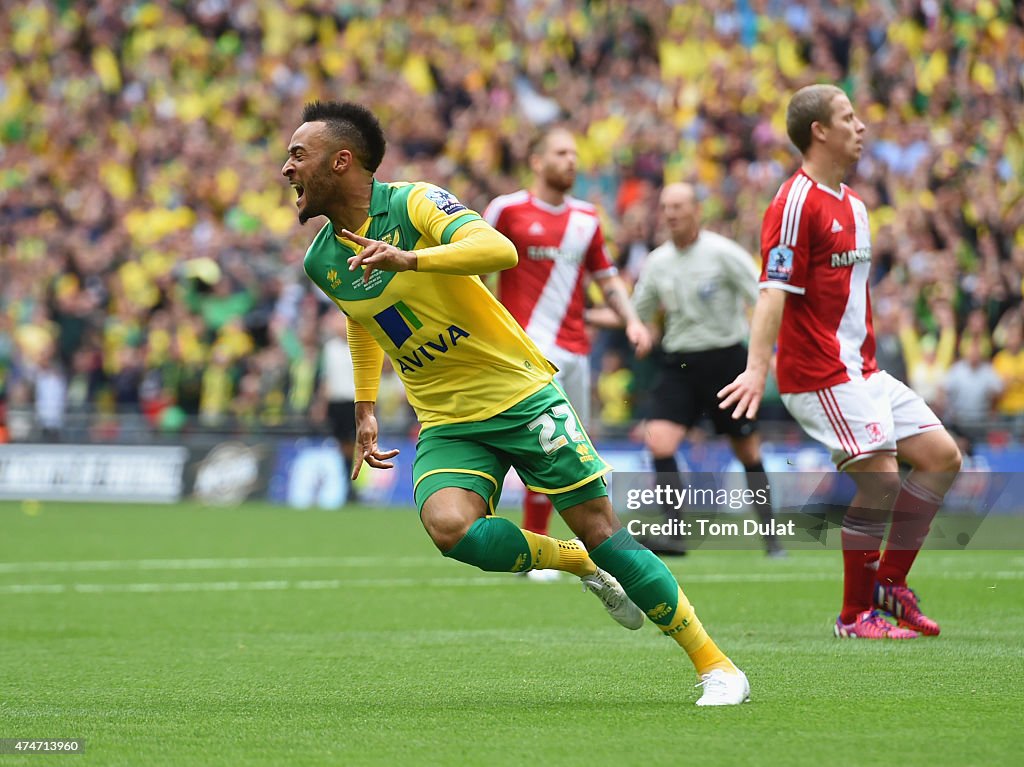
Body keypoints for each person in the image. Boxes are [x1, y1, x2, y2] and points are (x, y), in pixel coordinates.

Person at [283, 100, 749, 705]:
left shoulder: (414, 205)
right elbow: (363, 320)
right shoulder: (322, 260)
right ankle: (575, 561)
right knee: (449, 528)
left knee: (604, 528)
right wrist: (365, 407)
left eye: (298, 155)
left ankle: (717, 667)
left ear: (341, 161)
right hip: (448, 417)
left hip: (518, 394)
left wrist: (411, 257)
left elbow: (498, 250)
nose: (286, 169)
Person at [719, 84, 963, 640]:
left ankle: (891, 588)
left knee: (942, 458)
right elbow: (772, 291)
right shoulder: (793, 202)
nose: (862, 126)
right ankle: (855, 616)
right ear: (819, 132)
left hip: (864, 370)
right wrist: (759, 369)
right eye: (849, 117)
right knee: (880, 481)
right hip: (819, 374)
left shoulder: (854, 204)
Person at [483, 127, 652, 571]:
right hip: (525, 351)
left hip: (576, 353)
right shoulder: (507, 210)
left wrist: (631, 319)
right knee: (544, 450)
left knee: (571, 456)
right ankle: (535, 548)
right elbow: (475, 271)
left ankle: (570, 548)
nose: (572, 161)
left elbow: (605, 277)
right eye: (561, 153)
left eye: (575, 154)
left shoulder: (587, 218)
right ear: (536, 161)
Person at [631, 182, 785, 558]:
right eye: (666, 206)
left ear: (697, 210)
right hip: (679, 361)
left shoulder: (724, 254)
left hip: (726, 361)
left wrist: (769, 355)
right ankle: (675, 533)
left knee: (747, 450)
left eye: (679, 206)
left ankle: (772, 539)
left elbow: (764, 299)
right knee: (659, 441)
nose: (671, 213)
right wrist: (635, 328)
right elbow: (638, 311)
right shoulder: (656, 262)